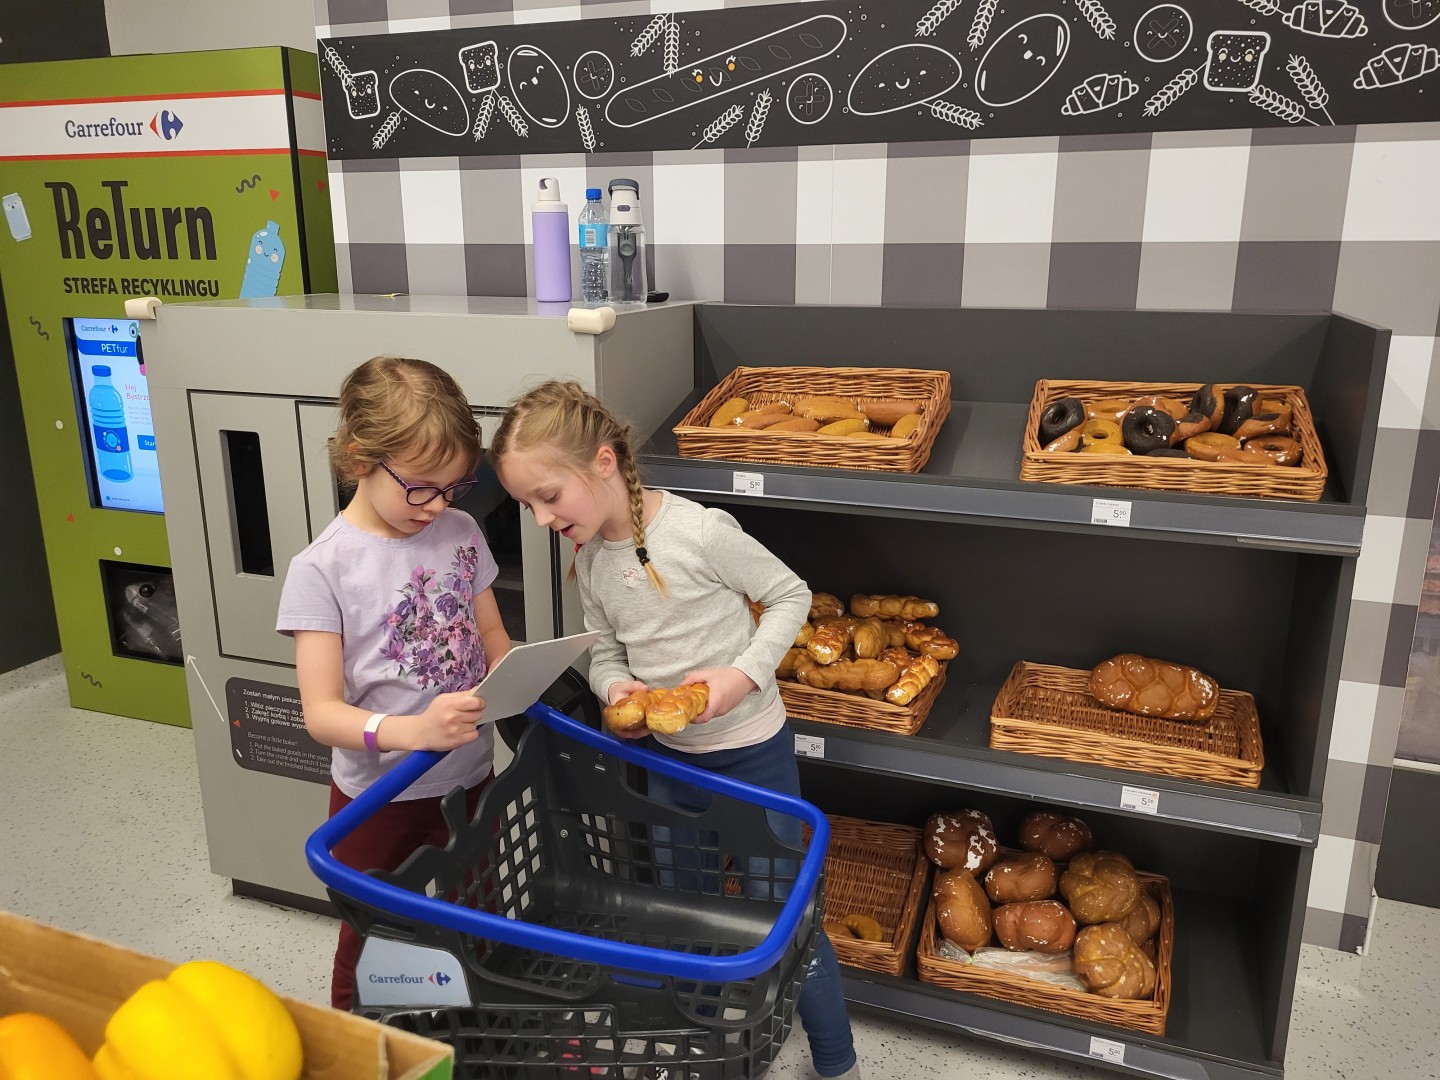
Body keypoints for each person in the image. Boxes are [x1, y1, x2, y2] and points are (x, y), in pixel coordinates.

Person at [492, 380, 860, 1080]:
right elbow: (606, 650)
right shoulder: (591, 560)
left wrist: (743, 675)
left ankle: (837, 1062)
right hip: (669, 767)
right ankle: (707, 1046)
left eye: (549, 496)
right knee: (683, 912)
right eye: (526, 505)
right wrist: (614, 688)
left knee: (784, 914)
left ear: (603, 462)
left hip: (752, 758)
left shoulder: (698, 532)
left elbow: (790, 594)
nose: (540, 518)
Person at [276, 355, 511, 1010]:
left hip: (470, 779)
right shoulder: (322, 569)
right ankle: (353, 1039)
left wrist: (518, 677)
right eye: (420, 488)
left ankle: (484, 1028)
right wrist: (414, 732)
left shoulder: (461, 531)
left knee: (481, 917)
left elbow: (492, 636)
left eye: (453, 488)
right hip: (379, 797)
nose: (437, 506)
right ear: (360, 459)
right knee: (371, 934)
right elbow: (322, 714)